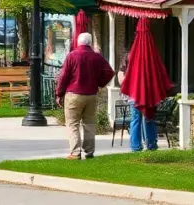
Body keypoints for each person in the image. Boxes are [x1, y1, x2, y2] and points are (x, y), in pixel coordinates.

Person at [55, 32, 115, 160]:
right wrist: (100, 83)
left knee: (72, 123)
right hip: (91, 94)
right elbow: (110, 72)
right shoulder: (97, 57)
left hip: (74, 94)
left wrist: (59, 94)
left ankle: (75, 152)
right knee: (89, 123)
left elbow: (64, 76)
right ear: (90, 43)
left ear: (78, 42)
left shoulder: (72, 56)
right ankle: (89, 151)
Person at [118, 53, 157, 152]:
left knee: (135, 120)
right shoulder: (150, 55)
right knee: (149, 119)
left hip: (134, 94)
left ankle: (136, 147)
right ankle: (151, 145)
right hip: (148, 94)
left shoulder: (128, 56)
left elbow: (121, 74)